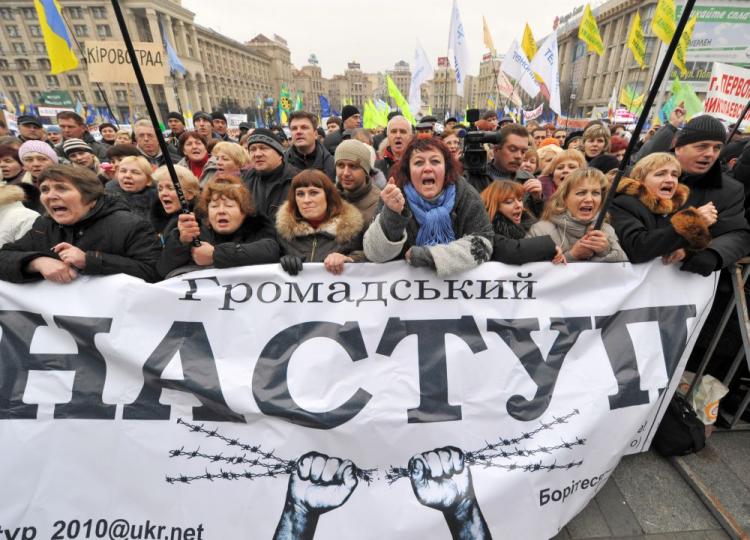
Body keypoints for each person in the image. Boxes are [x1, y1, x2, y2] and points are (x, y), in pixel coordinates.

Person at [0, 164, 160, 283]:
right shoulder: (44, 225)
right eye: (45, 189)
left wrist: (90, 260)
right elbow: (4, 256)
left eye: (61, 188)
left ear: (90, 198)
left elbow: (154, 272)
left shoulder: (130, 225)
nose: (51, 196)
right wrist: (36, 262)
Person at [364, 137, 493, 276]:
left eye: (435, 161)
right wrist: (392, 215)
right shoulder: (393, 195)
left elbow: (483, 243)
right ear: (408, 170)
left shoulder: (466, 194)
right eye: (419, 163)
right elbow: (374, 254)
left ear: (446, 168)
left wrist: (429, 256)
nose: (427, 168)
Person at [157, 175, 278, 277]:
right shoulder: (192, 231)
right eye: (214, 206)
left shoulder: (259, 227)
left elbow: (270, 251)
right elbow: (163, 270)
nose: (221, 211)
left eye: (229, 205)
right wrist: (181, 242)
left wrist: (215, 254)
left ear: (244, 211)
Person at [610, 152, 712, 264]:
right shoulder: (623, 203)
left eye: (674, 175)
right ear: (640, 179)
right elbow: (636, 249)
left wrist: (684, 251)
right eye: (660, 174)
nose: (670, 180)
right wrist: (691, 224)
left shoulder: (674, 207)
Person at [276, 169, 365, 276]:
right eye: (300, 194)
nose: (306, 200)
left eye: (313, 193)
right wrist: (280, 262)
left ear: (328, 196)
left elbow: (373, 258)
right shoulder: (283, 234)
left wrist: (350, 259)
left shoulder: (352, 232)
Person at [527, 168, 627, 263]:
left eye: (596, 193)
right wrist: (572, 255)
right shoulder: (540, 230)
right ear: (564, 198)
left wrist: (605, 251)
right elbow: (531, 273)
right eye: (581, 193)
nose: (589, 199)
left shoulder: (607, 230)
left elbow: (625, 271)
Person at [481, 180, 563, 265]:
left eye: (520, 200)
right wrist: (549, 247)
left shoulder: (529, 223)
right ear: (493, 206)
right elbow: (512, 251)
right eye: (509, 202)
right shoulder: (486, 229)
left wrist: (537, 200)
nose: (519, 205)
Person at [486, 123, 544, 215]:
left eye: (523, 151)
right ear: (496, 150)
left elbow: (538, 218)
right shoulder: (476, 177)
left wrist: (538, 199)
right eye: (513, 149)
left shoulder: (528, 178)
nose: (519, 156)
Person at [243, 128, 299, 219]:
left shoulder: (296, 180)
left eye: (263, 148)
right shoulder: (245, 180)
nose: (257, 154)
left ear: (280, 154)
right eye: (252, 149)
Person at [335, 139, 381, 225]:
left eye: (353, 166)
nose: (346, 173)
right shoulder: (328, 197)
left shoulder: (379, 205)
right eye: (340, 165)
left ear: (365, 171)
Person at [150, 164, 201, 240]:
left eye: (170, 188)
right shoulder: (156, 218)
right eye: (160, 189)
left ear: (190, 194)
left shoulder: (199, 222)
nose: (163, 193)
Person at [105, 155, 158, 220]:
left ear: (148, 180)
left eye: (135, 172)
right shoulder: (106, 200)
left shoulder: (159, 203)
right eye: (123, 171)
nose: (127, 176)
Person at [286, 111, 335, 179]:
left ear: (315, 134)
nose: (298, 132)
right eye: (294, 128)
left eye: (304, 127)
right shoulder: (281, 163)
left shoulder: (332, 164)